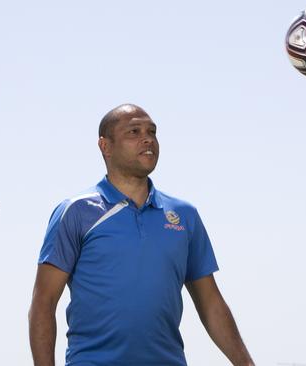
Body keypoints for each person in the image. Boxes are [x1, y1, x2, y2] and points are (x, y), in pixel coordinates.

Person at [29, 104, 254, 366]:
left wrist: (246, 364)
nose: (147, 138)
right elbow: (44, 303)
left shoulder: (184, 215)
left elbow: (211, 303)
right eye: (134, 131)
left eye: (152, 131)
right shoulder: (76, 212)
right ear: (105, 146)